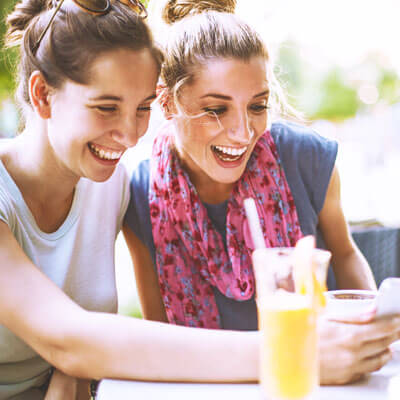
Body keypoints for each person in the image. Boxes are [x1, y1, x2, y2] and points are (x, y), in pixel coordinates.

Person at [0, 0, 273, 398]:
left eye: (142, 108)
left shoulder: (110, 184)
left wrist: (73, 372)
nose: (130, 136)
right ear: (42, 95)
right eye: (106, 107)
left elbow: (79, 346)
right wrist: (285, 350)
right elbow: (67, 339)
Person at [124, 0, 400, 385]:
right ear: (167, 102)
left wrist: (371, 336)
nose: (242, 132)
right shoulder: (138, 196)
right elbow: (160, 332)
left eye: (257, 106)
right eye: (216, 109)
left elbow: (345, 255)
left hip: (320, 381)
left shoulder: (306, 158)